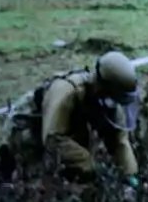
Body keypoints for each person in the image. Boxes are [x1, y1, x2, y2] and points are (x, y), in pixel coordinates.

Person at [33, 50, 141, 184]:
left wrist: (130, 175)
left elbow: (119, 141)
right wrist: (90, 165)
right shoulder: (68, 92)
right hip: (35, 130)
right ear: (102, 86)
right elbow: (53, 139)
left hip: (68, 131)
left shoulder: (108, 99)